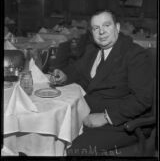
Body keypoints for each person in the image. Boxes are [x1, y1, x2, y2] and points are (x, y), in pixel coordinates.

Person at [51, 10, 154, 156]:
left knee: (75, 150)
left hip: (121, 121)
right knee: (54, 135)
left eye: (106, 25)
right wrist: (64, 75)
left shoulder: (135, 54)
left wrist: (106, 117)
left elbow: (143, 99)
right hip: (89, 112)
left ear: (117, 27)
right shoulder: (92, 50)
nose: (101, 32)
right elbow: (77, 70)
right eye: (96, 28)